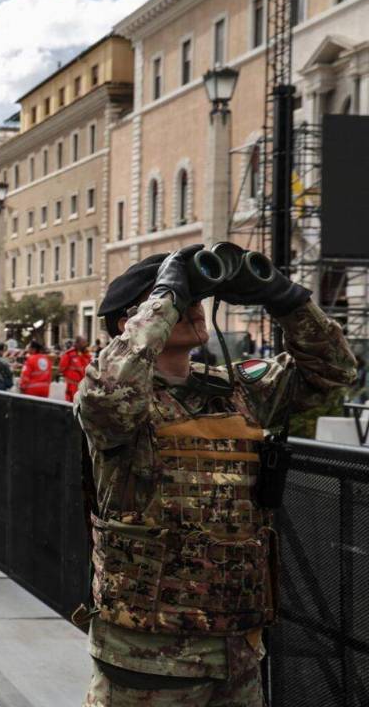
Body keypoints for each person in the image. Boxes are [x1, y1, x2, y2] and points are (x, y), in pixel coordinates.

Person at [78, 245, 355, 706]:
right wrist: (167, 293)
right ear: (136, 320)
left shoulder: (237, 390)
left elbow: (334, 369)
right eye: (175, 302)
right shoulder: (116, 401)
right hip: (148, 656)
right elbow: (111, 392)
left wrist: (285, 297)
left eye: (194, 298)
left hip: (239, 650)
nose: (191, 308)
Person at [58, 335, 91, 402]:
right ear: (77, 343)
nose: (86, 344)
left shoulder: (87, 355)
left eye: (85, 342)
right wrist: (70, 377)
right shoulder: (69, 355)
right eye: (83, 343)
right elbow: (61, 369)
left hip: (84, 386)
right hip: (72, 387)